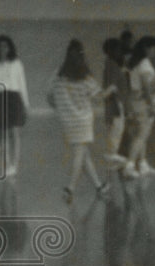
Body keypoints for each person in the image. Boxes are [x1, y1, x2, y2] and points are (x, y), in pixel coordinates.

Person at [47, 40, 110, 203]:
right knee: (79, 154)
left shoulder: (58, 75)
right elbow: (98, 96)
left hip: (67, 120)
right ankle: (70, 189)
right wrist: (111, 90)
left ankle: (99, 187)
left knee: (83, 153)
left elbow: (50, 96)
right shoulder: (85, 75)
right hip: (84, 120)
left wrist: (61, 108)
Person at [0, 34, 30, 178]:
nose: (2, 49)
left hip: (14, 99)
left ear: (9, 48)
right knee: (3, 134)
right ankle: (6, 165)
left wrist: (26, 104)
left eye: (5, 46)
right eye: (0, 46)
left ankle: (15, 164)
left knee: (14, 133)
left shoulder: (16, 64)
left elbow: (22, 83)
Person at [124, 35, 155, 178]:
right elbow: (146, 87)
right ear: (146, 48)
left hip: (136, 102)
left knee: (141, 135)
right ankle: (130, 165)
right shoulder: (144, 65)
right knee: (141, 136)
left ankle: (143, 164)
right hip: (144, 104)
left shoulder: (136, 63)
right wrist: (151, 105)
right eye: (153, 48)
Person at [101, 37, 130, 170]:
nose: (120, 52)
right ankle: (111, 157)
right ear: (112, 50)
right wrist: (117, 106)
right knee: (115, 131)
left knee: (114, 131)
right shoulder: (112, 65)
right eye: (118, 50)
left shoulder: (111, 64)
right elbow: (112, 87)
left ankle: (112, 158)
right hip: (116, 104)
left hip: (115, 103)